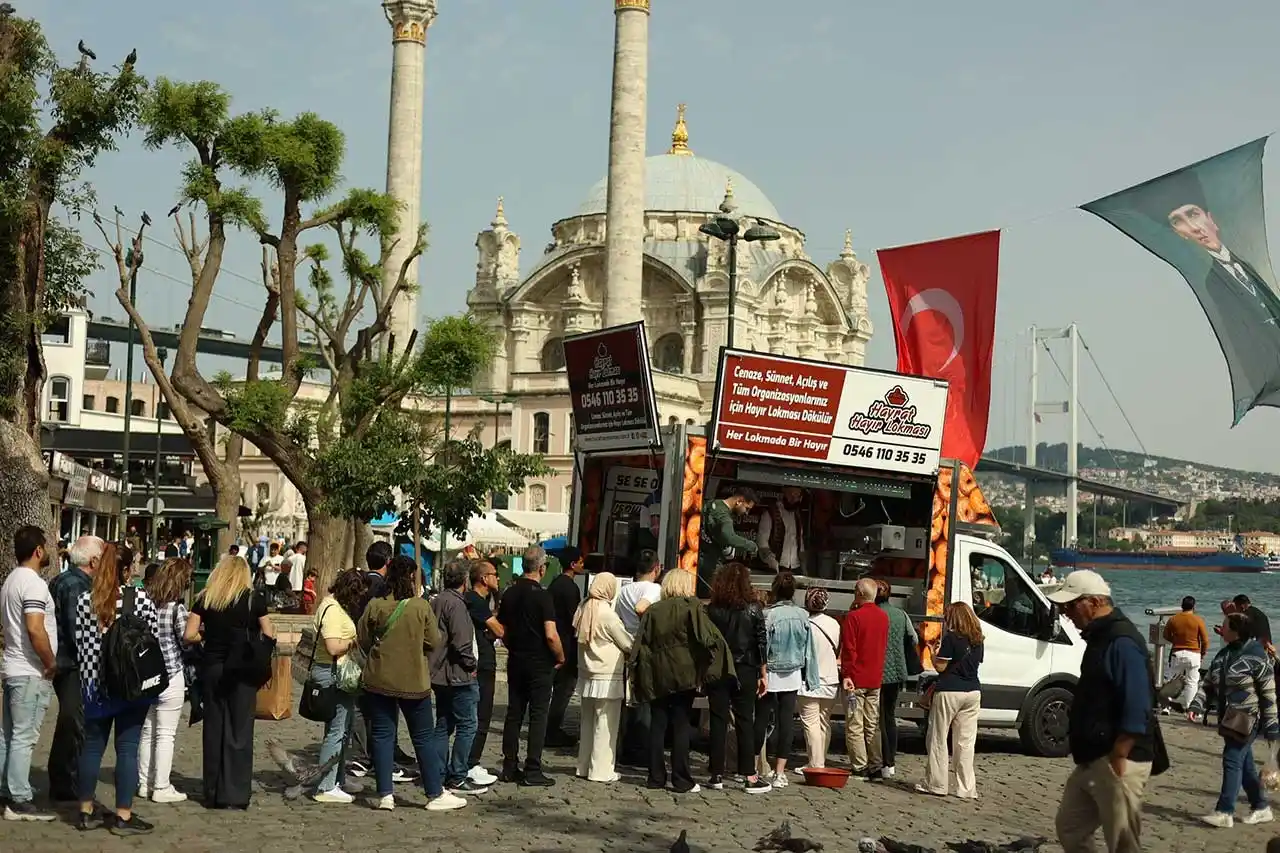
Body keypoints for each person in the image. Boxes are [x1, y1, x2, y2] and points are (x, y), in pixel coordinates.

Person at [1048, 570, 1164, 853]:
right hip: (1093, 755)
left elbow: (1138, 702)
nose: (1066, 613)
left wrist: (1120, 753)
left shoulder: (1121, 641)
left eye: (1071, 605)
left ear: (1095, 602)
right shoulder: (1100, 637)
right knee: (1070, 828)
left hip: (1118, 757)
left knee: (1124, 843)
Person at [358, 555, 464, 812]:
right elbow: (434, 641)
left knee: (383, 735)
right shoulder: (420, 607)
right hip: (413, 680)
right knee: (423, 737)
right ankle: (434, 792)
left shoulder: (375, 605)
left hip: (379, 678)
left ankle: (385, 794)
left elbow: (362, 636)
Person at [73, 542, 158, 836]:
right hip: (130, 686)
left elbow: (80, 645)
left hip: (95, 685)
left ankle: (85, 810)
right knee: (127, 748)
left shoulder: (86, 600)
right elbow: (152, 639)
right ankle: (123, 814)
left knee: (92, 748)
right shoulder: (141, 600)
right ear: (124, 570)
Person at [630, 569, 733, 794]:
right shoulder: (692, 608)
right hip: (684, 674)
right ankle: (681, 779)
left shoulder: (654, 610)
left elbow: (643, 642)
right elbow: (709, 639)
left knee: (657, 724)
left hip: (657, 673)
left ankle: (655, 777)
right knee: (681, 724)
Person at [185, 554, 274, 810]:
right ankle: (234, 793)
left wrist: (207, 635)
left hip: (213, 667)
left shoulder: (205, 598)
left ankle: (212, 791)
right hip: (243, 669)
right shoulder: (253, 599)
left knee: (214, 728)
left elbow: (189, 634)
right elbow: (269, 633)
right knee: (240, 730)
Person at [1188, 610, 1279, 827]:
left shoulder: (1257, 657)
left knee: (1232, 758)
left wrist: (1272, 725)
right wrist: (1197, 704)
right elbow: (1208, 683)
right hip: (1229, 718)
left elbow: (1268, 694)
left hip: (1250, 717)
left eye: (1225, 626)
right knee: (1244, 764)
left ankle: (1224, 811)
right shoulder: (1223, 655)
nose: (1221, 629)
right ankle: (1261, 807)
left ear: (1236, 631)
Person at [0, 525, 57, 821]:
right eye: (45, 547)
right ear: (38, 551)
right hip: (29, 670)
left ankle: (6, 789)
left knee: (8, 735)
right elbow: (35, 628)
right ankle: (19, 798)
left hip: (12, 668)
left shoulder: (10, 581)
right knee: (24, 735)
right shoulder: (33, 585)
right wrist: (49, 662)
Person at [498, 544, 563, 786]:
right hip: (539, 663)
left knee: (514, 713)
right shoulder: (543, 596)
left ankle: (509, 765)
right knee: (538, 715)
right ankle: (533, 767)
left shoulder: (510, 593)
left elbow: (502, 628)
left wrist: (511, 644)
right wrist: (560, 656)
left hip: (516, 659)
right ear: (542, 568)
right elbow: (551, 634)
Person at [46, 534, 104, 803]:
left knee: (71, 720)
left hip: (64, 661)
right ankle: (64, 780)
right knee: (73, 721)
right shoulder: (77, 586)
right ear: (93, 560)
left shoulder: (60, 579)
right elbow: (76, 630)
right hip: (73, 663)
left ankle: (65, 777)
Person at [705, 562, 771, 794]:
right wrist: (763, 673)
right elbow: (761, 642)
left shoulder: (713, 609)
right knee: (745, 721)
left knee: (718, 720)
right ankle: (749, 774)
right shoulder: (753, 608)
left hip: (719, 667)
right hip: (745, 668)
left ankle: (716, 773)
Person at [309, 569, 369, 804]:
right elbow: (333, 646)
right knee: (337, 730)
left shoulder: (329, 605)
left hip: (332, 671)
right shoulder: (333, 611)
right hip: (332, 672)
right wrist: (353, 641)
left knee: (340, 728)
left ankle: (337, 777)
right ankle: (325, 786)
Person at [137, 557, 193, 804]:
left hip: (149, 675)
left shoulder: (149, 605)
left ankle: (143, 782)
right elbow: (185, 640)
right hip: (171, 673)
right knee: (166, 734)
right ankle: (161, 785)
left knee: (148, 730)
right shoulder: (176, 609)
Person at [916, 601, 984, 799]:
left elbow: (941, 668)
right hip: (972, 691)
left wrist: (932, 651)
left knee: (938, 737)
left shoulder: (951, 638)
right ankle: (966, 788)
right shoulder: (978, 640)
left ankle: (937, 784)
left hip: (949, 691)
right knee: (965, 742)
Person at [429, 559, 485, 796]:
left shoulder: (437, 601)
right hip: (457, 674)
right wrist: (471, 665)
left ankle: (438, 772)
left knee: (443, 723)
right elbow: (462, 643)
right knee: (467, 724)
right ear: (464, 581)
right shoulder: (457, 605)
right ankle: (458, 775)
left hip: (439, 674)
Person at [757, 571, 818, 787]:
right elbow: (809, 648)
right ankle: (779, 772)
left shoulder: (768, 615)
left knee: (761, 721)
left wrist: (760, 672)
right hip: (792, 673)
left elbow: (762, 647)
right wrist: (811, 676)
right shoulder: (802, 615)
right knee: (786, 724)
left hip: (771, 672)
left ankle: (757, 767)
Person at [572, 571, 634, 782]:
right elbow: (626, 642)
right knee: (606, 724)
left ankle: (583, 765)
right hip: (608, 675)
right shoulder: (607, 613)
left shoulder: (583, 607)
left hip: (587, 672)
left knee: (587, 723)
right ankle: (601, 770)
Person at [615, 550, 662, 767]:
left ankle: (626, 745)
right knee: (645, 700)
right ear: (657, 568)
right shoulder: (653, 589)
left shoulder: (624, 590)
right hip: (645, 647)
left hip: (627, 646)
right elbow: (641, 607)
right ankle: (640, 750)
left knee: (630, 699)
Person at [840, 577, 890, 779]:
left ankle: (859, 765)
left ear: (859, 594)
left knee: (855, 724)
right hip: (875, 677)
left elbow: (849, 649)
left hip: (856, 678)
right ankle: (876, 764)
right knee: (872, 723)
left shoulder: (853, 618)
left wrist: (846, 674)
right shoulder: (883, 617)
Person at [465, 560, 502, 786]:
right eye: (494, 575)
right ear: (484, 578)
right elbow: (498, 629)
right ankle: (470, 762)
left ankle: (470, 761)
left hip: (483, 662)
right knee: (481, 715)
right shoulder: (475, 601)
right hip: (482, 664)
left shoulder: (479, 601)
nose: (497, 578)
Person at [875, 579, 917, 780]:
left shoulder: (875, 615)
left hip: (877, 671)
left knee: (876, 719)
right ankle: (890, 762)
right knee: (890, 717)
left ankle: (881, 760)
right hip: (896, 672)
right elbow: (913, 639)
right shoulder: (901, 614)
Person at [798, 587, 841, 775]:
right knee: (824, 722)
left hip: (809, 679)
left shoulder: (803, 623)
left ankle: (816, 764)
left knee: (811, 723)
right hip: (831, 678)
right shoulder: (834, 624)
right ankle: (820, 759)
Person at [698, 486, 774, 588]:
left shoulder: (712, 504)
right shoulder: (724, 517)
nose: (746, 513)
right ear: (739, 501)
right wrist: (751, 546)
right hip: (709, 567)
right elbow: (730, 538)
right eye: (747, 508)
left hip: (699, 559)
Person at [546, 548, 584, 747]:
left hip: (556, 641)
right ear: (572, 564)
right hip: (567, 645)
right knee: (563, 690)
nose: (582, 565)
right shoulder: (570, 588)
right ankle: (551, 730)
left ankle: (549, 728)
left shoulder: (555, 584)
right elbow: (574, 619)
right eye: (580, 561)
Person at [1163, 595, 1210, 712]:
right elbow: (1205, 640)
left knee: (1172, 681)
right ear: (1194, 606)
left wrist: (1175, 641)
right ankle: (1190, 708)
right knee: (1192, 682)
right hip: (1194, 654)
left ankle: (1167, 707)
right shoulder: (1198, 620)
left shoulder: (1173, 619)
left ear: (1181, 606)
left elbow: (1165, 635)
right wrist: (1202, 654)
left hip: (1177, 653)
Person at [755, 487, 807, 573]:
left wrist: (804, 567)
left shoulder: (797, 516)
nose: (793, 499)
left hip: (795, 567)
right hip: (776, 566)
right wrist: (773, 563)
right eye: (791, 495)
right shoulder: (770, 514)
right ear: (784, 492)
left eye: (797, 496)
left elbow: (800, 543)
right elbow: (762, 544)